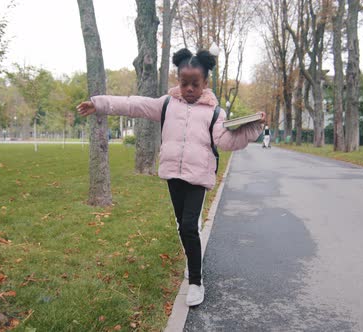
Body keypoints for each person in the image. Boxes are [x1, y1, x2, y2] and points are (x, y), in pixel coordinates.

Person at [77, 48, 264, 307]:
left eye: (194, 84)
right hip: (174, 176)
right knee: (183, 225)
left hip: (198, 177)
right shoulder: (166, 104)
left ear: (205, 83)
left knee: (188, 226)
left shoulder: (214, 113)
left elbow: (227, 141)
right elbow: (133, 104)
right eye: (184, 83)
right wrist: (98, 104)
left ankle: (196, 282)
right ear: (178, 81)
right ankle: (192, 256)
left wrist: (252, 128)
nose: (189, 89)